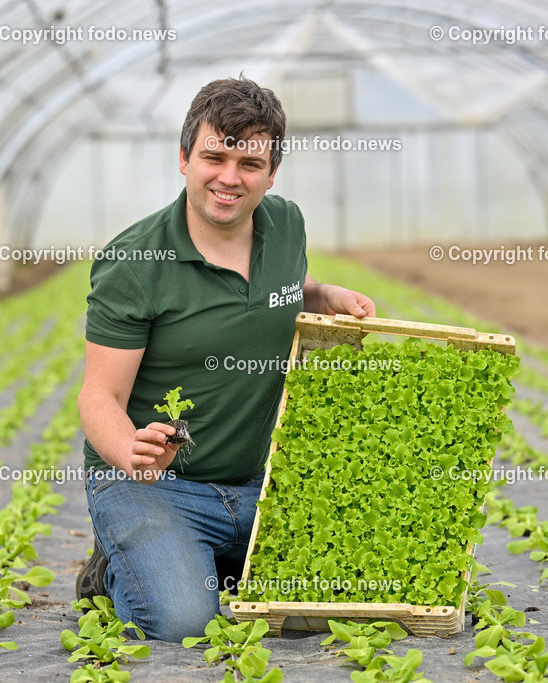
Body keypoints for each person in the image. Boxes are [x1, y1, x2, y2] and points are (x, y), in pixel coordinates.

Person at [76, 76, 375, 642]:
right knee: (184, 620)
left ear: (272, 173)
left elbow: (284, 285)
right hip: (156, 485)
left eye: (250, 163)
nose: (230, 178)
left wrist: (322, 296)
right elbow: (99, 396)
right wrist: (129, 451)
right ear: (185, 158)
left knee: (339, 599)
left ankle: (209, 560)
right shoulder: (135, 262)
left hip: (264, 480)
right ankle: (116, 566)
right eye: (215, 156)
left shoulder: (285, 224)